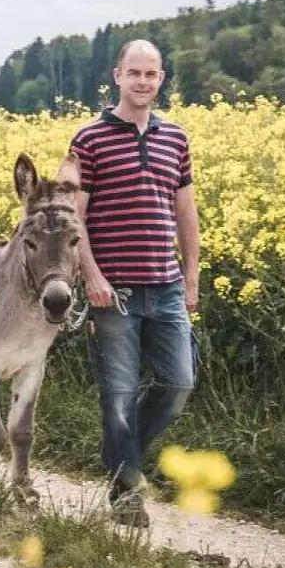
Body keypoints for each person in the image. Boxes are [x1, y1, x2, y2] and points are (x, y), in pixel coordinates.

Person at [69, 38, 200, 527]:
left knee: (178, 383)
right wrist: (93, 276)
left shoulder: (175, 138)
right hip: (115, 292)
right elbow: (73, 218)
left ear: (161, 79)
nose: (143, 82)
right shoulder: (89, 139)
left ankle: (118, 452)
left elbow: (186, 211)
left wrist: (191, 278)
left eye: (152, 74)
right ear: (116, 75)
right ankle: (126, 492)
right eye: (135, 73)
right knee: (118, 393)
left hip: (166, 286)